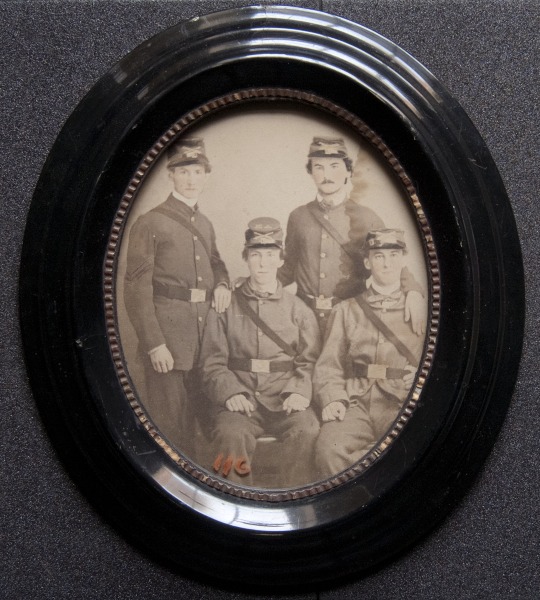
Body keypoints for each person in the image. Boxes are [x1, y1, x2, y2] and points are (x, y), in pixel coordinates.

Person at [123, 138, 231, 454]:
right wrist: (155, 343)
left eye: (197, 171)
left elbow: (217, 264)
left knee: (202, 434)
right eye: (183, 171)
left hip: (203, 343)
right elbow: (136, 290)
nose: (191, 179)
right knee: (171, 434)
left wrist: (223, 285)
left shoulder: (206, 224)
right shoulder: (150, 222)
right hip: (168, 345)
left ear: (206, 175)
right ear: (171, 175)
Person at [199, 218, 321, 488]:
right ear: (246, 258)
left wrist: (299, 391)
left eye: (270, 255)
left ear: (281, 260)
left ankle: (295, 503)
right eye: (256, 255)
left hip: (284, 398)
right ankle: (236, 504)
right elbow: (212, 362)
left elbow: (309, 360)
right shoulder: (226, 305)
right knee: (230, 433)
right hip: (241, 399)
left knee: (307, 429)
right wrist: (230, 392)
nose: (263, 263)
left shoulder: (299, 309)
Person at [278, 136, 425, 334]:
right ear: (310, 172)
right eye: (319, 167)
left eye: (334, 166)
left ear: (348, 171)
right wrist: (243, 285)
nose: (326, 174)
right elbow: (288, 267)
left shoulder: (367, 217)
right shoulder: (298, 217)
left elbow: (390, 259)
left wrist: (413, 291)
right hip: (304, 319)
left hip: (351, 320)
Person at [313, 228, 425, 479]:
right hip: (356, 401)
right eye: (378, 256)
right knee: (328, 449)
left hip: (400, 401)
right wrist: (333, 399)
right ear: (367, 262)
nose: (387, 263)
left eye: (394, 255)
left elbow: (442, 362)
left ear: (403, 259)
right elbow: (328, 365)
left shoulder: (421, 309)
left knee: (411, 450)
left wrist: (421, 376)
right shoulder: (346, 309)